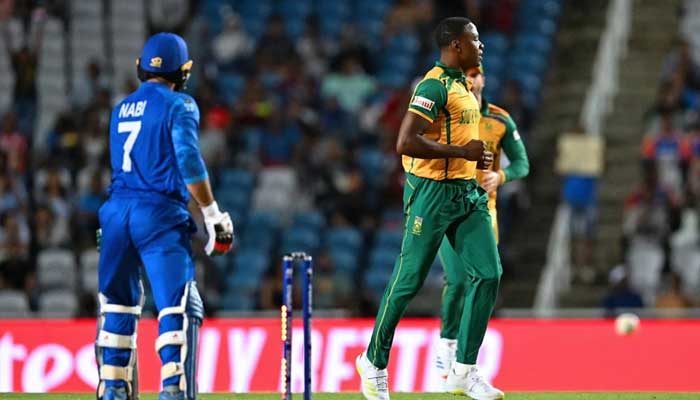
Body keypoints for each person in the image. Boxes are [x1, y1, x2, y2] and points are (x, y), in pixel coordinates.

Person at [356, 17, 504, 400]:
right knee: (409, 280)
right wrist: (461, 152)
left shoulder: (463, 85)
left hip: (465, 193)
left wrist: (475, 158)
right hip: (432, 195)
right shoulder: (432, 85)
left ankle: (464, 371)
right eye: (475, 38)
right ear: (456, 45)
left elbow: (461, 137)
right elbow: (405, 141)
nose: (480, 45)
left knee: (488, 274)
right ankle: (373, 362)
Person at [95, 33, 234, 400]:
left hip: (116, 213)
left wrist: (114, 225)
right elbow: (189, 160)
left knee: (118, 308)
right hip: (158, 215)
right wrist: (211, 213)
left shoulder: (120, 108)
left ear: (140, 67)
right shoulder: (180, 105)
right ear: (183, 71)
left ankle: (113, 391)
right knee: (179, 307)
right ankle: (174, 392)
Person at [435, 64, 529, 386]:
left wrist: (500, 176)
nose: (473, 81)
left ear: (484, 80)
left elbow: (522, 163)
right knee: (459, 280)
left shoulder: (500, 120)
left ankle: (465, 360)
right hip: (449, 207)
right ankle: (447, 343)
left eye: (477, 76)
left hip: (484, 213)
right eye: (467, 77)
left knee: (483, 281)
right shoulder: (450, 115)